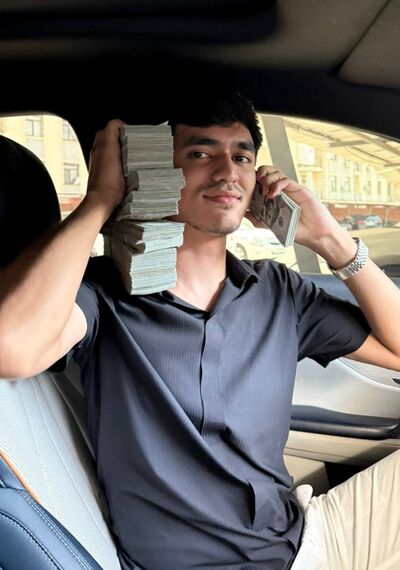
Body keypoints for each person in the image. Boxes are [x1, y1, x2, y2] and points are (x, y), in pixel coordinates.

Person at [0, 91, 400, 570]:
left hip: (306, 539)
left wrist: (331, 240)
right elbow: (12, 349)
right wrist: (100, 201)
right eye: (200, 153)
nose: (228, 171)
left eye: (242, 157)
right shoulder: (102, 295)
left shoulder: (278, 290)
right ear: (150, 169)